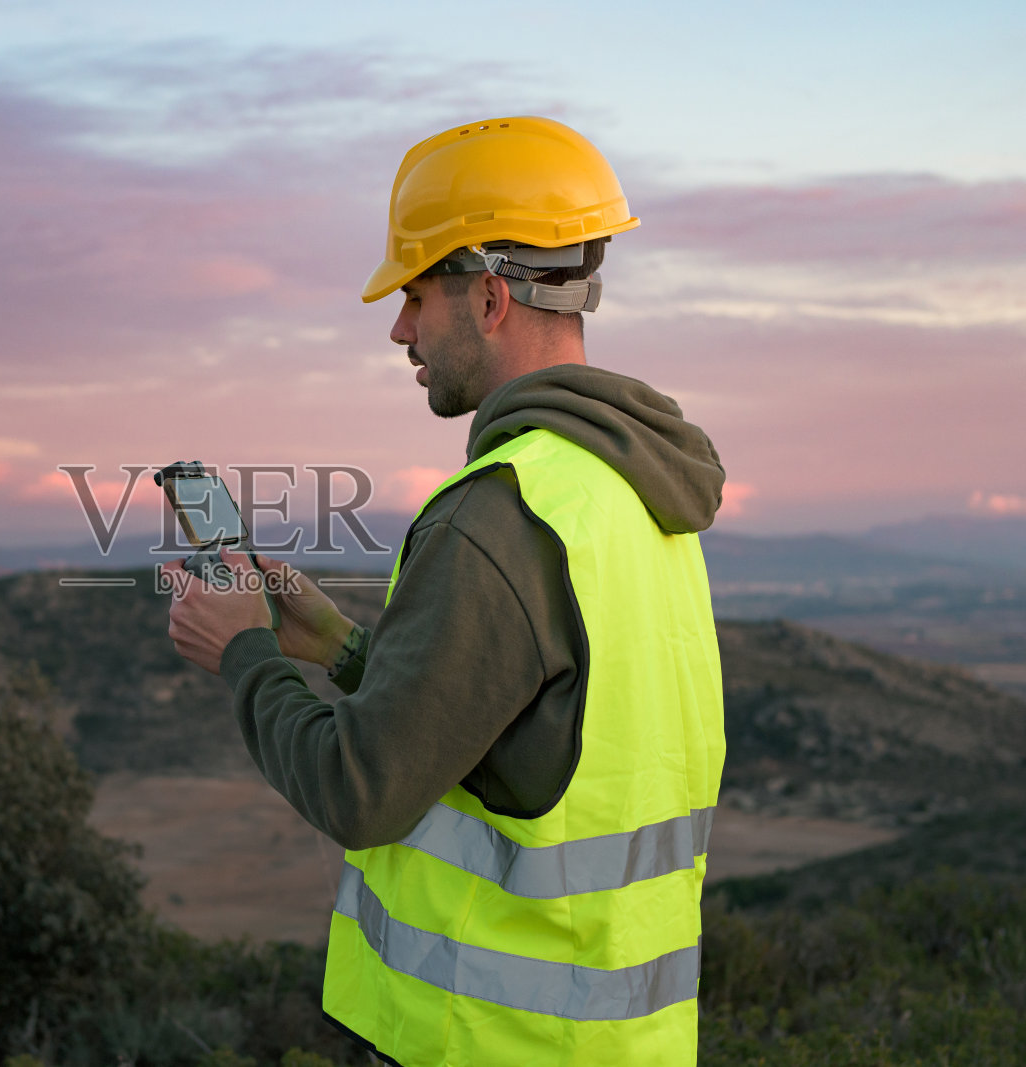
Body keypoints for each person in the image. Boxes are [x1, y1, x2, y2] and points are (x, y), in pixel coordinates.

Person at [163, 115, 727, 1066]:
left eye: (416, 295)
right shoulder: (629, 491)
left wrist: (245, 652)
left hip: (485, 1043)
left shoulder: (496, 514)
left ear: (491, 299)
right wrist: (341, 645)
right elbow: (527, 732)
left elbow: (360, 790)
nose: (398, 328)